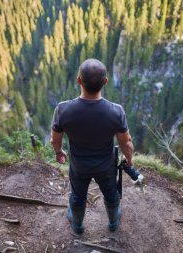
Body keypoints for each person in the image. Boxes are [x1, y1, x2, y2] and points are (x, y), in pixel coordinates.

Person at [50, 58, 134, 234]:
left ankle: (78, 226)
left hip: (79, 166)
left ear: (79, 80)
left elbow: (55, 139)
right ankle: (112, 222)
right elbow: (126, 142)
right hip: (106, 166)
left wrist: (59, 152)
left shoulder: (63, 109)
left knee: (77, 196)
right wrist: (129, 159)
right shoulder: (116, 111)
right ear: (105, 82)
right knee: (111, 194)